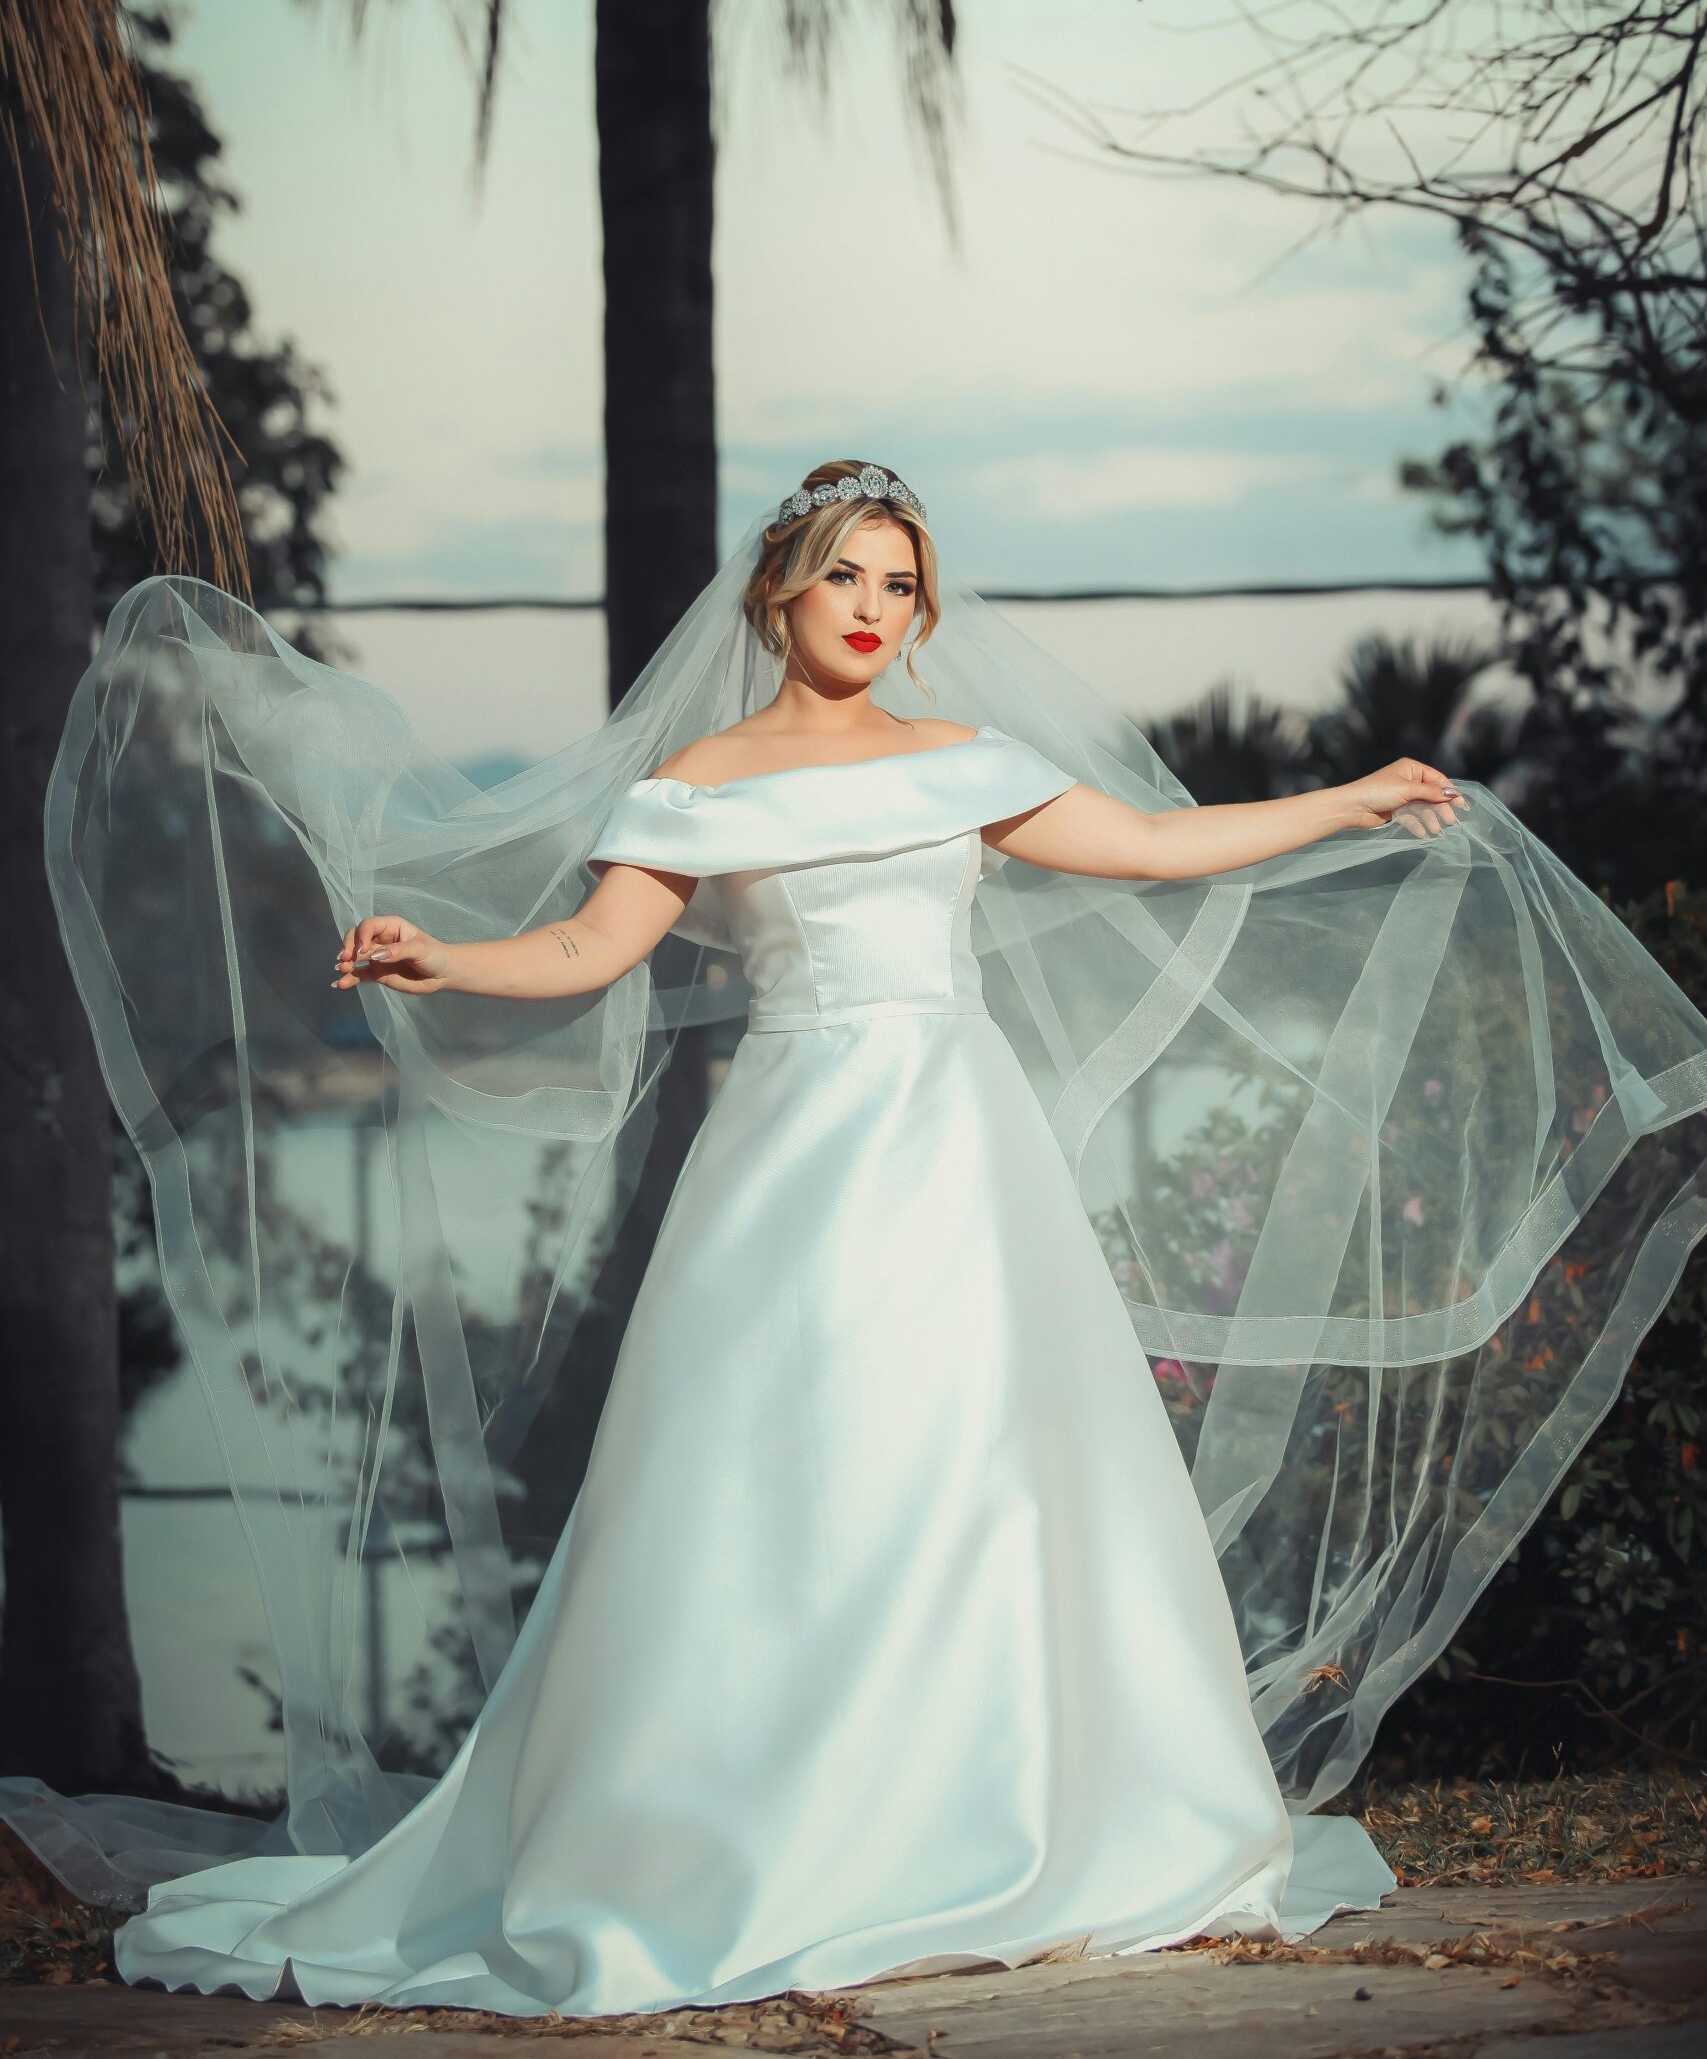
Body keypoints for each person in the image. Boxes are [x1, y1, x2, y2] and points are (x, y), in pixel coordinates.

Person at [3, 460, 1704, 2020]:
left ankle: (1006, 1816)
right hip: (791, 1163)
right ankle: (743, 1839)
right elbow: (587, 955)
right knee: (770, 1484)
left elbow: (1159, 850)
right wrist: (442, 960)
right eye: (845, 579)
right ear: (779, 601)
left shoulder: (966, 766)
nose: (877, 608)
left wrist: (1341, 800)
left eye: (900, 582)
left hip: (961, 1150)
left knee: (983, 1474)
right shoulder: (699, 780)